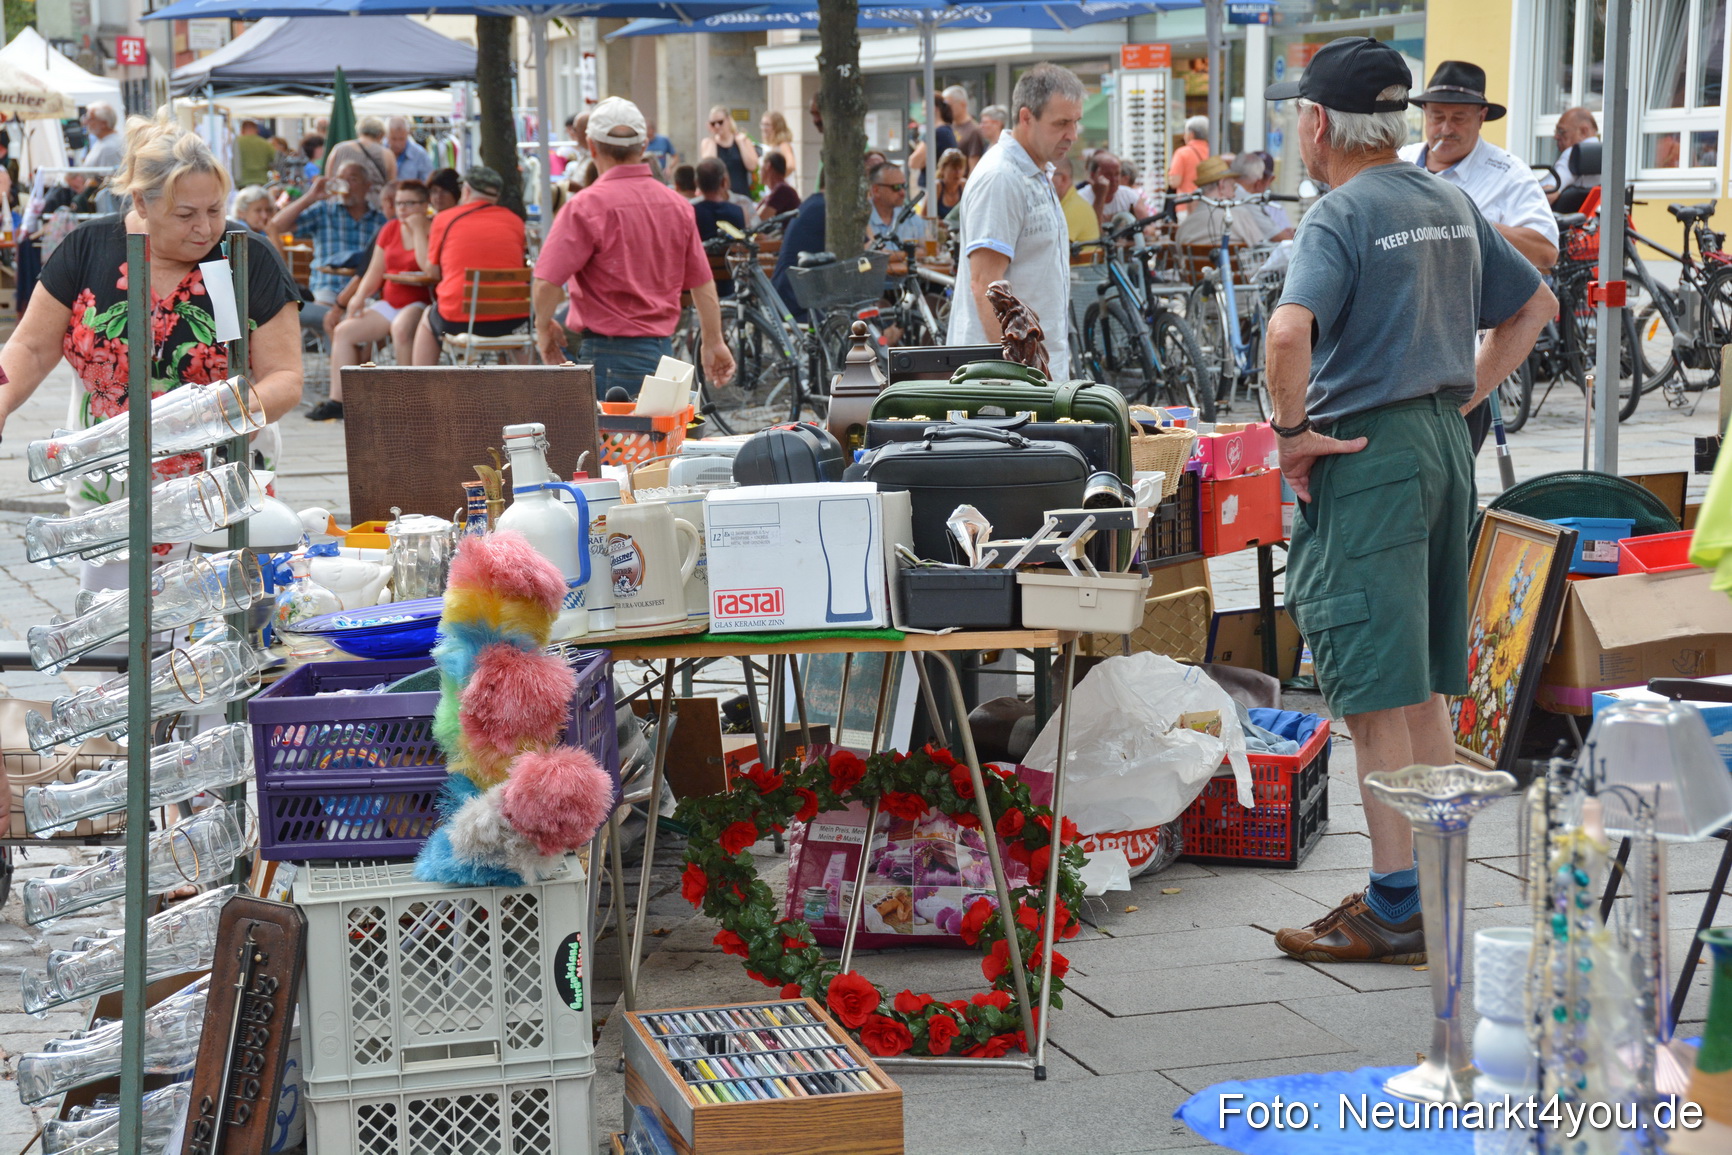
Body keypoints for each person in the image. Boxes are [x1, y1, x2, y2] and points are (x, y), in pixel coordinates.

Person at [1258, 38, 1553, 965]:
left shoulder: (1339, 214)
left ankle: (1397, 908)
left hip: (1369, 456)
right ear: (1397, 118)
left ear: (1318, 123)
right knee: (1423, 689)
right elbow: (1535, 305)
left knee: (1375, 697)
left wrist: (1289, 431)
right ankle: (1425, 894)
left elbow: (1286, 332)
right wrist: (1463, 391)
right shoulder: (1450, 200)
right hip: (1438, 448)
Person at [0, 114, 302, 568]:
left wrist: (216, 421)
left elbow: (286, 376)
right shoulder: (89, 247)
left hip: (219, 480)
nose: (205, 227)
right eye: (186, 214)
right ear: (141, 201)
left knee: (216, 621)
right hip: (109, 481)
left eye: (216, 210)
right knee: (115, 620)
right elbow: (30, 347)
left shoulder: (245, 256)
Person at [1399, 59, 1558, 453]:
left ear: (1482, 116)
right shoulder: (1398, 162)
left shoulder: (1507, 173)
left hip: (1461, 363)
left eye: (1459, 118)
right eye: (1437, 117)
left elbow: (1545, 249)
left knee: (1448, 484)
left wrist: (1469, 222)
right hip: (1395, 355)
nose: (1446, 128)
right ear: (1423, 114)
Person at [533, 97, 733, 397]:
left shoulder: (585, 207)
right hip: (663, 354)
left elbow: (546, 284)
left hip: (607, 355)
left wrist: (543, 328)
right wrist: (714, 342)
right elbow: (702, 285)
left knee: (611, 444)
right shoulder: (677, 206)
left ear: (591, 147)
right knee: (655, 444)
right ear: (642, 147)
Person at [947, 62, 1083, 373]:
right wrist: (1020, 380)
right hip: (1004, 384)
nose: (1072, 135)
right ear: (1026, 117)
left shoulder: (1033, 171)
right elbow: (985, 286)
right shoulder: (1001, 177)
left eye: (1076, 122)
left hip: (1032, 373)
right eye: (1061, 123)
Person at [316, 179, 434, 420]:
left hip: (421, 301)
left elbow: (426, 267)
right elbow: (375, 270)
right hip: (391, 300)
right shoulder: (389, 229)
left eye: (410, 203)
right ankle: (340, 401)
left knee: (401, 329)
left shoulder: (432, 228)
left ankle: (408, 399)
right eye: (399, 203)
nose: (403, 209)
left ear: (424, 205)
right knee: (344, 331)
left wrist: (419, 230)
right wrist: (358, 297)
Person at [406, 165, 526, 364]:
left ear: (467, 190)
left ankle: (420, 388)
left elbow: (432, 272)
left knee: (428, 319)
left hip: (459, 322)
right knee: (513, 333)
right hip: (513, 322)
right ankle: (523, 388)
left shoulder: (444, 218)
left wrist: (418, 230)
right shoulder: (516, 221)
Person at [272, 162, 384, 308]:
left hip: (364, 292)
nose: (345, 184)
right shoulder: (324, 210)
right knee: (325, 313)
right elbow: (277, 226)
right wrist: (311, 197)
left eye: (352, 179)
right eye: (340, 178)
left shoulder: (380, 220)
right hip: (327, 289)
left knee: (369, 316)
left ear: (367, 186)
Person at [1174, 155, 1270, 247]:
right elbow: (1261, 249)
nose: (1234, 195)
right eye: (1233, 187)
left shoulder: (1184, 227)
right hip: (1234, 264)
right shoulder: (1239, 215)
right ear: (1222, 185)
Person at [693, 158, 746, 298]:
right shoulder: (738, 212)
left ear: (697, 183)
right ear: (724, 181)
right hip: (730, 283)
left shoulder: (691, 212)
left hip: (700, 283)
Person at [324, 117, 397, 208]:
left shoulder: (338, 149)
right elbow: (391, 187)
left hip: (340, 206)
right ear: (381, 135)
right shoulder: (387, 154)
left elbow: (328, 180)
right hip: (374, 208)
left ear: (359, 132)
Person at [700, 107, 758, 199]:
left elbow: (752, 166)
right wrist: (713, 138)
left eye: (720, 122)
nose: (717, 126)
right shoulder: (708, 143)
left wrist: (741, 144)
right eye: (713, 124)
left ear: (728, 120)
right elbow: (709, 168)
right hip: (719, 197)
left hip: (741, 194)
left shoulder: (742, 140)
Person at [1234, 151, 1294, 240]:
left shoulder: (1233, 192)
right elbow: (1278, 237)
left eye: (1265, 178)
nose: (1262, 182)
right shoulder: (1246, 199)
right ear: (1257, 181)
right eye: (1262, 177)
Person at [865, 160, 925, 246]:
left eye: (904, 186)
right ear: (876, 190)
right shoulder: (862, 217)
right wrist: (908, 253)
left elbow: (929, 250)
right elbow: (871, 254)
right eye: (896, 187)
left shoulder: (909, 217)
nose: (902, 192)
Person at [1550, 106, 1600, 208]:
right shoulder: (1609, 157)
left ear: (1583, 132)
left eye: (1561, 131)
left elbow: (1550, 193)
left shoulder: (1574, 155)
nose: (1556, 136)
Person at [1079, 150, 1139, 231]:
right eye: (1108, 174)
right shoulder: (1080, 199)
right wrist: (1100, 196)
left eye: (1117, 174)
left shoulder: (1129, 195)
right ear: (1093, 175)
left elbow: (1148, 225)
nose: (1114, 179)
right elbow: (1093, 232)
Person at [907, 96, 956, 190]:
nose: (922, 113)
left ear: (934, 108)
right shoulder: (946, 130)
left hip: (931, 189)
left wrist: (924, 161)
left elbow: (913, 162)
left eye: (924, 109)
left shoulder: (937, 132)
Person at [1052, 156, 1097, 245]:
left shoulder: (1075, 208)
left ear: (1063, 179)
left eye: (1046, 174)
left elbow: (1053, 250)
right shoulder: (1069, 203)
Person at [1168, 115, 1210, 196]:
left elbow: (1174, 182)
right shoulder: (1213, 151)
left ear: (1191, 134)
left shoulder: (1182, 153)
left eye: (1185, 132)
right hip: (1207, 203)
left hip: (1186, 203)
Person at [946, 85, 986, 171]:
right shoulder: (947, 127)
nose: (946, 110)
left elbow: (973, 166)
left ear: (962, 104)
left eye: (949, 106)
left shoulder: (973, 130)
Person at [386, 116, 433, 183]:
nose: (397, 144)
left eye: (401, 139)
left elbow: (427, 182)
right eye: (393, 139)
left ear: (407, 134)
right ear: (386, 135)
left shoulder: (420, 154)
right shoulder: (380, 151)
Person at [757, 150, 801, 220]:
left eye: (760, 168)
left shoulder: (782, 190)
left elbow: (759, 219)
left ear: (768, 165)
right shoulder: (776, 191)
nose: (759, 172)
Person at [758, 110, 797, 185]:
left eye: (767, 125)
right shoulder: (771, 146)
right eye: (762, 124)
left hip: (781, 190)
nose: (763, 128)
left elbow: (791, 165)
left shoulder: (783, 145)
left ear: (777, 127)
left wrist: (776, 180)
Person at [235, 119, 275, 187]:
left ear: (242, 130)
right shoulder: (265, 143)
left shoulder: (236, 142)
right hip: (261, 181)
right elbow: (275, 160)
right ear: (257, 130)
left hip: (242, 181)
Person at [933, 147, 967, 221]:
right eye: (954, 168)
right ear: (942, 169)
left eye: (960, 168)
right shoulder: (937, 187)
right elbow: (924, 216)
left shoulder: (964, 186)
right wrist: (938, 223)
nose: (957, 172)